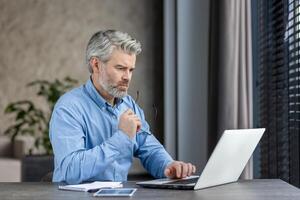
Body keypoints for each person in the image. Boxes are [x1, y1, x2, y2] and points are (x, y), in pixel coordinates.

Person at [49, 30, 196, 184]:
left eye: (130, 70)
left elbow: (149, 148)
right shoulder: (68, 108)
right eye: (120, 68)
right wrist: (123, 137)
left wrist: (168, 165)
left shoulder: (128, 104)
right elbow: (71, 170)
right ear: (96, 65)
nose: (127, 77)